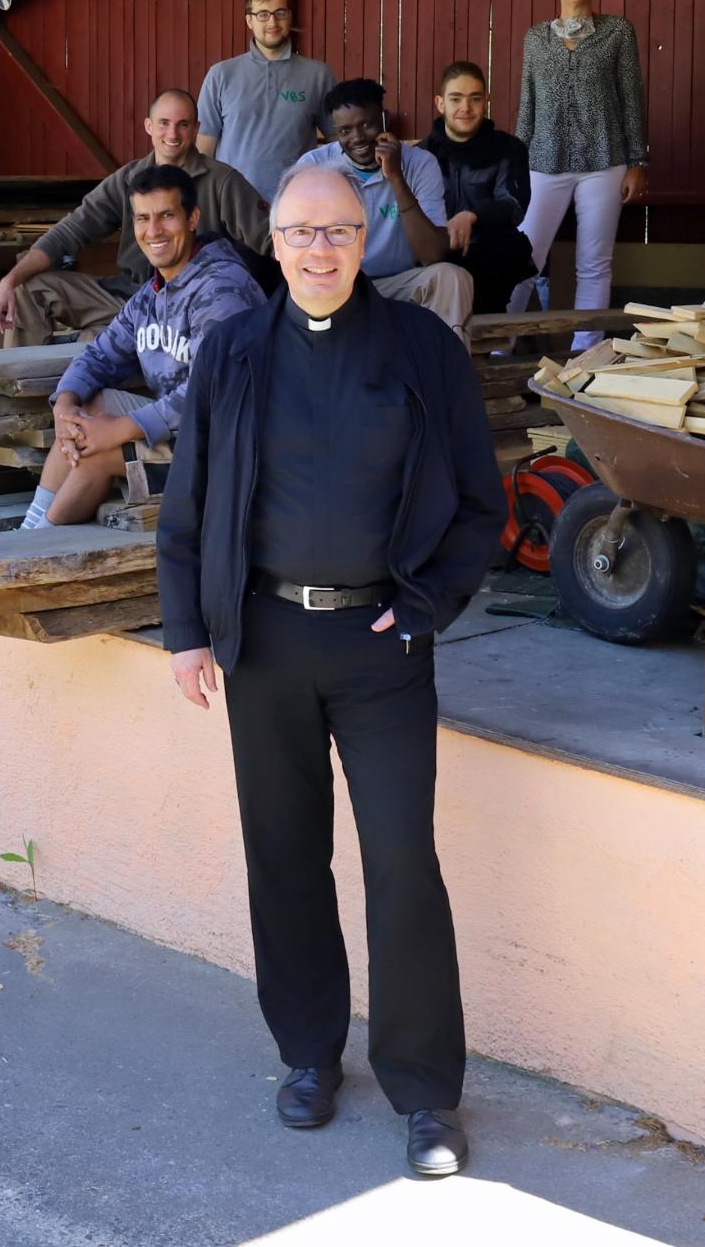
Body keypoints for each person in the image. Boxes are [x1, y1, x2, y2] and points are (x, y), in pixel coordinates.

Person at [157, 164, 503, 1181]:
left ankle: (427, 1093)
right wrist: (187, 632)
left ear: (366, 239)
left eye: (340, 232)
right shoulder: (232, 351)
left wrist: (428, 603)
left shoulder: (420, 350)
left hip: (382, 646)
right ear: (274, 239)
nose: (320, 251)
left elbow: (482, 503)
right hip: (263, 640)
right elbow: (188, 508)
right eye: (302, 232)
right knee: (284, 856)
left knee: (402, 863)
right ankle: (309, 1053)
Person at [22, 165, 265, 528]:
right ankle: (31, 529)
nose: (153, 231)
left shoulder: (221, 290)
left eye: (167, 216)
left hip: (229, 449)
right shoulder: (153, 292)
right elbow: (100, 354)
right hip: (183, 432)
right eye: (143, 218)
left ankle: (34, 549)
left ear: (192, 218)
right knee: (85, 411)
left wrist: (121, 429)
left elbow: (211, 394)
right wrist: (65, 404)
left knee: (98, 451)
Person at [0, 88, 274, 346]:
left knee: (93, 341)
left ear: (196, 129)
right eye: (164, 123)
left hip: (189, 309)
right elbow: (72, 229)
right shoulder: (128, 179)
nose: (172, 134)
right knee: (27, 287)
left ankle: (104, 346)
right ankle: (14, 384)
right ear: (148, 126)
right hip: (129, 296)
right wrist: (9, 280)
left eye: (183, 125)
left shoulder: (222, 182)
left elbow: (272, 240)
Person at [514, 0, 649, 350]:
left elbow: (631, 97)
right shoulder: (535, 38)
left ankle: (585, 350)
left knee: (594, 263)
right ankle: (498, 345)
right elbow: (527, 103)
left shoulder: (617, 32)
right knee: (523, 257)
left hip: (604, 161)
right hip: (543, 160)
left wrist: (637, 161)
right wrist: (515, 163)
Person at [287, 78, 475, 334]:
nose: (357, 138)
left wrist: (396, 178)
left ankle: (447, 370)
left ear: (384, 119)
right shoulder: (315, 166)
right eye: (345, 131)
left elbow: (432, 255)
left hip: (400, 282)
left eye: (366, 124)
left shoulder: (419, 164)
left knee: (451, 277)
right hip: (342, 285)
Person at [417, 60, 537, 320]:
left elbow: (514, 207)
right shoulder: (420, 155)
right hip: (435, 260)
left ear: (486, 101)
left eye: (474, 99)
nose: (465, 108)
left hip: (492, 262)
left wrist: (472, 216)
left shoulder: (509, 148)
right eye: (456, 99)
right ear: (440, 103)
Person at [197, 0, 337, 200]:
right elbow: (205, 145)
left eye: (279, 13)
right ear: (249, 21)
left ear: (289, 17)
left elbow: (336, 140)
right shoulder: (221, 75)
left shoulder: (318, 75)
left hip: (298, 200)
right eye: (263, 14)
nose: (272, 21)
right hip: (232, 202)